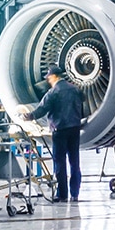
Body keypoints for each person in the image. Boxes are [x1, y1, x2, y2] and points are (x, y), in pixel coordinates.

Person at [22, 65, 84, 203]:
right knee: (74, 162)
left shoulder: (54, 92)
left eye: (49, 77)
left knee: (60, 162)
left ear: (54, 76)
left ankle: (62, 194)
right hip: (74, 129)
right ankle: (75, 194)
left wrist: (28, 116)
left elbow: (42, 109)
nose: (48, 80)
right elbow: (83, 101)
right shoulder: (75, 89)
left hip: (60, 130)